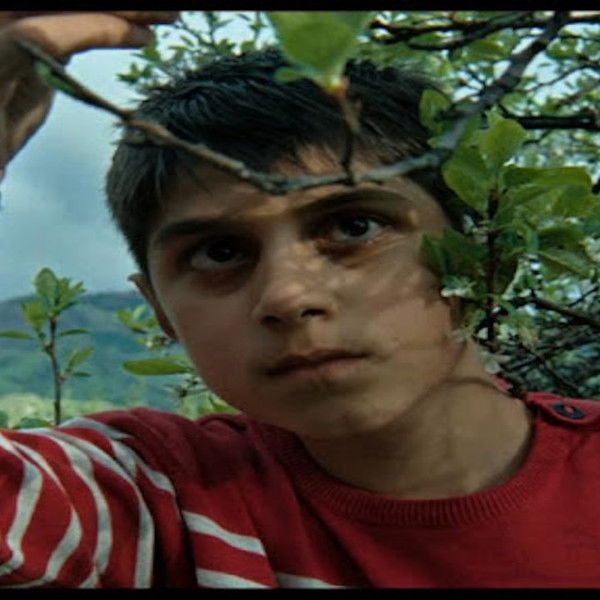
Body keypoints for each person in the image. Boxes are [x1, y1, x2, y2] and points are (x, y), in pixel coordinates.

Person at [1, 11, 599, 589]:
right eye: (219, 253)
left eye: (355, 226)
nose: (288, 295)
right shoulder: (162, 501)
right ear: (161, 311)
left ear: (480, 251)